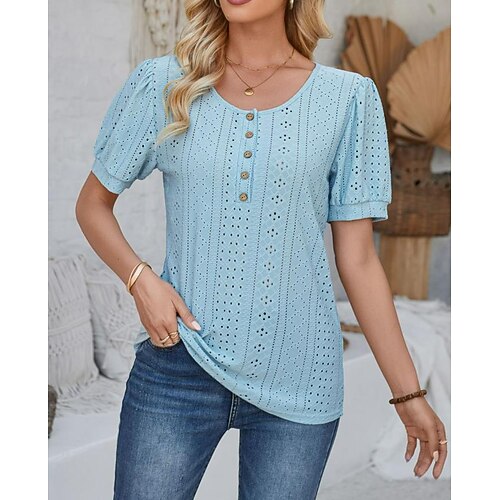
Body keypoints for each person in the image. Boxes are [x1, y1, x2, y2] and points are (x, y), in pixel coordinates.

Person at [75, 0, 448, 498]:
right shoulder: (165, 83)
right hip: (180, 364)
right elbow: (92, 205)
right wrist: (141, 280)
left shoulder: (347, 99)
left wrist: (408, 392)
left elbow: (358, 260)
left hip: (301, 375)